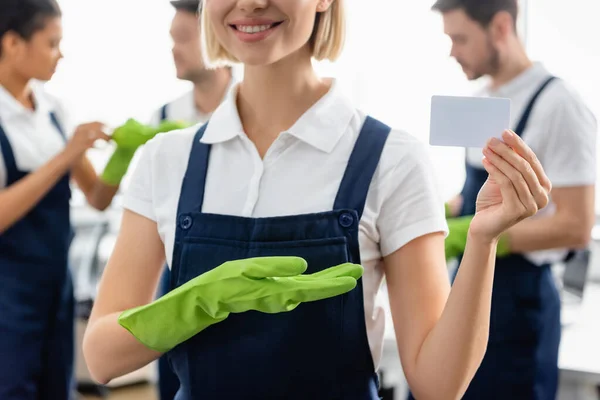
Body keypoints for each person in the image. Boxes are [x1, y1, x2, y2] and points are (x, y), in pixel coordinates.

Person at [82, 1, 552, 399]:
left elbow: (437, 384)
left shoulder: (393, 159)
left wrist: (483, 240)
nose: (249, 3)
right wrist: (197, 301)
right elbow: (100, 358)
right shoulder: (165, 160)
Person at [428, 0, 597, 399]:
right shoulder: (485, 98)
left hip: (520, 304)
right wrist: (442, 212)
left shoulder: (560, 106)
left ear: (501, 27)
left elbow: (576, 225)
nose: (452, 51)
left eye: (461, 38)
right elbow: (477, 192)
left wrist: (488, 236)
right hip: (470, 283)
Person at [0, 1, 161, 398]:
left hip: (57, 280)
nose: (61, 54)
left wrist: (125, 153)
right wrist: (67, 155)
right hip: (8, 286)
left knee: (58, 384)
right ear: (13, 44)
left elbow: (97, 198)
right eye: (52, 43)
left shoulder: (53, 109)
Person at [151, 1, 234, 399]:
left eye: (183, 39)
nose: (174, 50)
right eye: (172, 40)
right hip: (177, 268)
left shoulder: (256, 109)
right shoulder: (163, 119)